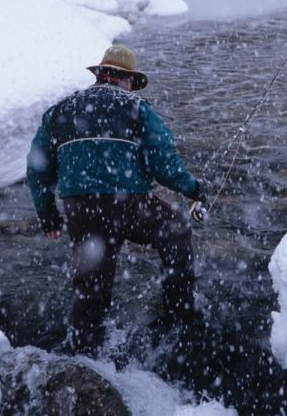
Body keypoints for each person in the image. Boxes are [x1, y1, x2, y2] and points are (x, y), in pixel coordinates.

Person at [26, 45, 208, 356]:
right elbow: (163, 163)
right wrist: (192, 189)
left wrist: (49, 216)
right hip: (128, 203)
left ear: (100, 75)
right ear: (125, 80)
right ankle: (181, 316)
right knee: (176, 232)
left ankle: (85, 354)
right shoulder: (137, 108)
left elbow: (37, 169)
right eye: (133, 83)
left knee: (92, 286)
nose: (132, 89)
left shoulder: (59, 111)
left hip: (79, 208)